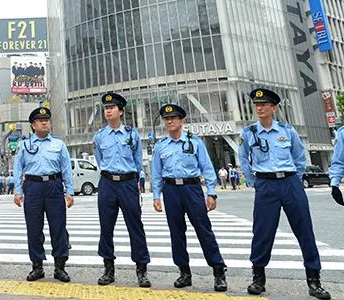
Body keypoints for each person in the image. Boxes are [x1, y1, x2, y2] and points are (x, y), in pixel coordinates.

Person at [238, 88, 330, 299]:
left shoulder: (287, 131)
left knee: (305, 230)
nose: (259, 108)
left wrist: (294, 181)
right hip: (265, 185)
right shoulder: (248, 133)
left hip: (289, 183)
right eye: (257, 105)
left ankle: (314, 280)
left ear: (274, 108)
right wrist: (255, 183)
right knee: (262, 232)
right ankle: (258, 278)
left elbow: (299, 157)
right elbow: (243, 159)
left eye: (264, 104)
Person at [151, 104, 227, 292]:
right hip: (170, 191)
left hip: (191, 188)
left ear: (181, 121)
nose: (169, 121)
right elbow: (156, 173)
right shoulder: (161, 146)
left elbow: (207, 168)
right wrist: (156, 195)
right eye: (166, 119)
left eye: (173, 118)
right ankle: (184, 272)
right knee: (176, 233)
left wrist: (211, 192)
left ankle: (218, 271)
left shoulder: (195, 142)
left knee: (204, 229)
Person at [92, 93, 150, 287]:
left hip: (128, 183)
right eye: (106, 108)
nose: (108, 110)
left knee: (135, 226)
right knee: (106, 227)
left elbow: (137, 160)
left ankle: (141, 270)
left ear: (121, 111)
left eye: (112, 107)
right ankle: (108, 269)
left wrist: (135, 180)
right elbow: (100, 160)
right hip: (107, 183)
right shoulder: (99, 136)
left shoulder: (132, 134)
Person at [13, 107, 74, 282]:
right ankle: (37, 267)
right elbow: (18, 168)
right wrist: (18, 191)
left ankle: (60, 267)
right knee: (34, 229)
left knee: (58, 228)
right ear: (33, 125)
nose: (45, 122)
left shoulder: (58, 144)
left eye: (47, 119)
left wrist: (69, 191)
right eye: (40, 120)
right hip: (32, 187)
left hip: (54, 186)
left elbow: (66, 169)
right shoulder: (24, 145)